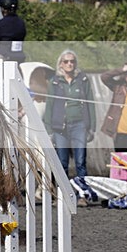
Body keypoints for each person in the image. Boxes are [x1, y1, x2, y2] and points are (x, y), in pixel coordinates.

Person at [44, 50, 96, 179]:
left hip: (79, 125)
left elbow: (91, 103)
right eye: (66, 61)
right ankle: (63, 194)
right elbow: (49, 105)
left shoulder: (83, 80)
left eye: (72, 61)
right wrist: (49, 129)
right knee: (62, 162)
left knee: (80, 161)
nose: (69, 64)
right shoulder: (54, 81)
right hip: (60, 127)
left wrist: (92, 127)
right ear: (60, 64)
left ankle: (83, 194)